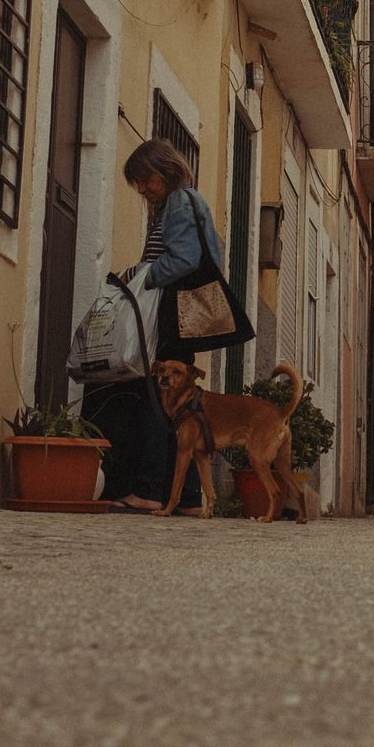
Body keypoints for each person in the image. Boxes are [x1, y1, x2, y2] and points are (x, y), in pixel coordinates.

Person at [101, 138, 230, 513]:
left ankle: (150, 490)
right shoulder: (182, 202)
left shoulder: (177, 201)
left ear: (165, 169)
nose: (142, 189)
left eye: (146, 180)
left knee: (157, 403)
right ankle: (188, 498)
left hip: (173, 314)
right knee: (181, 408)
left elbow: (184, 259)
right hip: (180, 315)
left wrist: (139, 275)